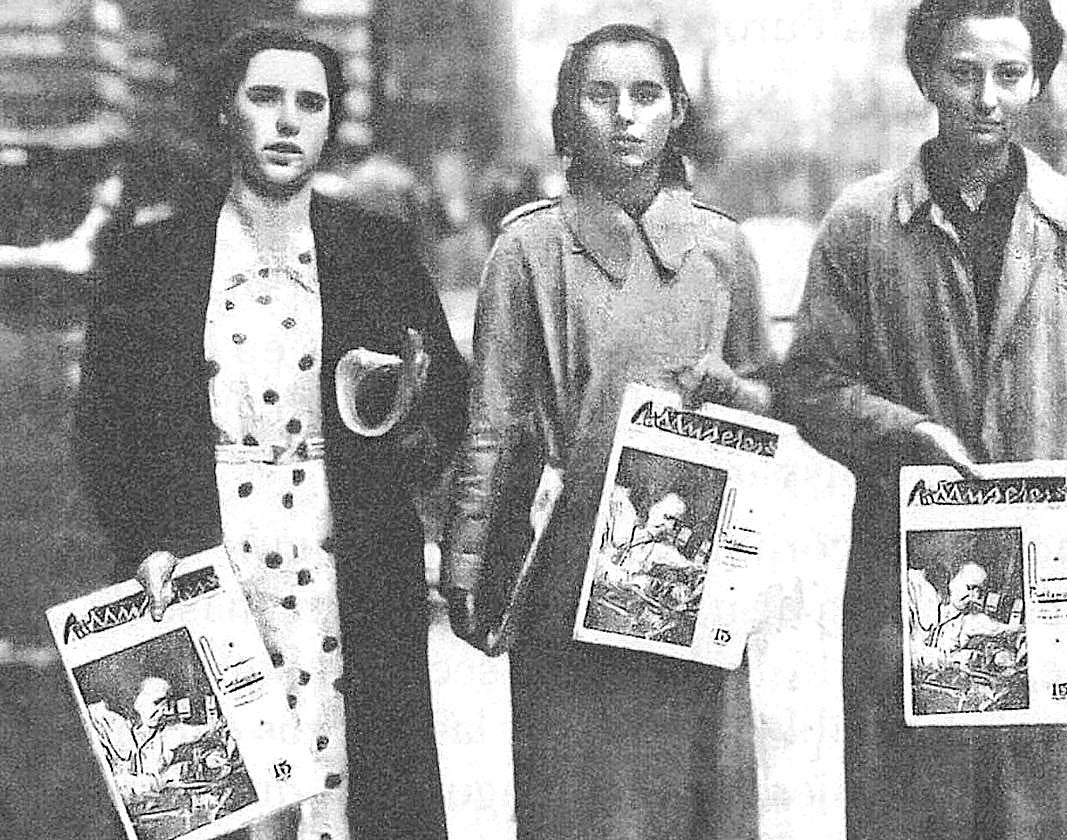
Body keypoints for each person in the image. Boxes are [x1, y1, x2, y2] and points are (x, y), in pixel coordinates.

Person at [774, 1, 1067, 837]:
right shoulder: (862, 225)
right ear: (926, 77)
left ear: (1037, 83)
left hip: (1059, 578)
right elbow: (810, 381)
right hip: (912, 577)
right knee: (922, 812)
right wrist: (904, 431)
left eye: (1009, 74)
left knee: (1054, 811)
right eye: (963, 73)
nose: (986, 98)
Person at [74, 27, 467, 840]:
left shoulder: (377, 248)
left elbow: (446, 410)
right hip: (206, 554)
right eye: (266, 98)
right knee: (218, 794)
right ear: (226, 110)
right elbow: (106, 425)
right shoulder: (153, 258)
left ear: (330, 127)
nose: (288, 122)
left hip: (348, 557)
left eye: (310, 103)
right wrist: (147, 540)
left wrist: (414, 401)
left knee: (353, 782)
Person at [442, 22, 770, 840]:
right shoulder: (527, 249)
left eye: (645, 95)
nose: (624, 116)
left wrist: (730, 387)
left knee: (695, 803)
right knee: (579, 806)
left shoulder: (722, 248)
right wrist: (469, 559)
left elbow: (772, 394)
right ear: (567, 114)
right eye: (601, 95)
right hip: (564, 569)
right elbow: (492, 420)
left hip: (689, 574)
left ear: (677, 111)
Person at [89, 676, 219, 799]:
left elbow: (195, 739)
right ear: (134, 698)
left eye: (166, 703)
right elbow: (112, 788)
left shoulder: (164, 732)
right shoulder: (103, 725)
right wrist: (163, 779)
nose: (163, 711)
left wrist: (207, 758)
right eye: (157, 702)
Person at [906, 560, 1017, 668]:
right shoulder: (914, 588)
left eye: (979, 591)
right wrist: (953, 660)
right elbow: (906, 652)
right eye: (969, 588)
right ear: (953, 576)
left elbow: (996, 630)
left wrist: (997, 654)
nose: (974, 597)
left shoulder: (962, 615)